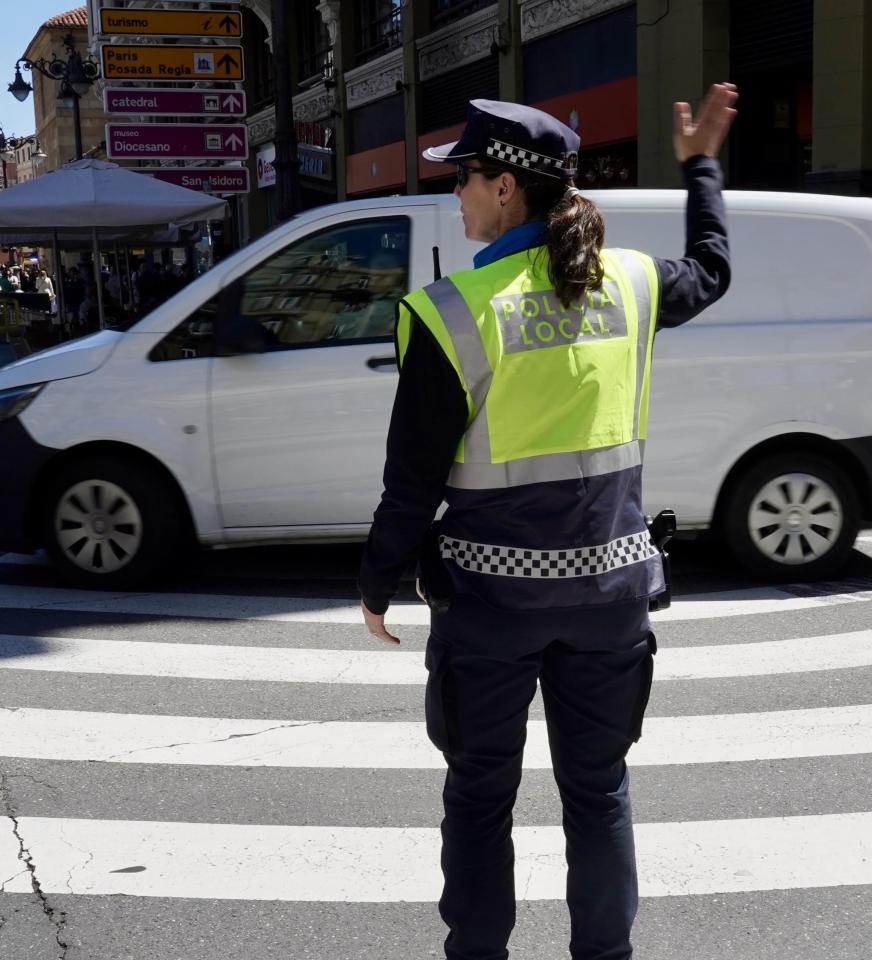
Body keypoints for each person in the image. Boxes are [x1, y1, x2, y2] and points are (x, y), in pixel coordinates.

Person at [357, 86, 737, 960]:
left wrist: (377, 583)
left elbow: (410, 483)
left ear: (504, 189)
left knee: (480, 798)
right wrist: (701, 167)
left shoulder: (451, 311)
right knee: (598, 794)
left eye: (462, 177)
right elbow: (711, 271)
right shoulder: (631, 282)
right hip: (610, 600)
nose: (455, 194)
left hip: (489, 609)